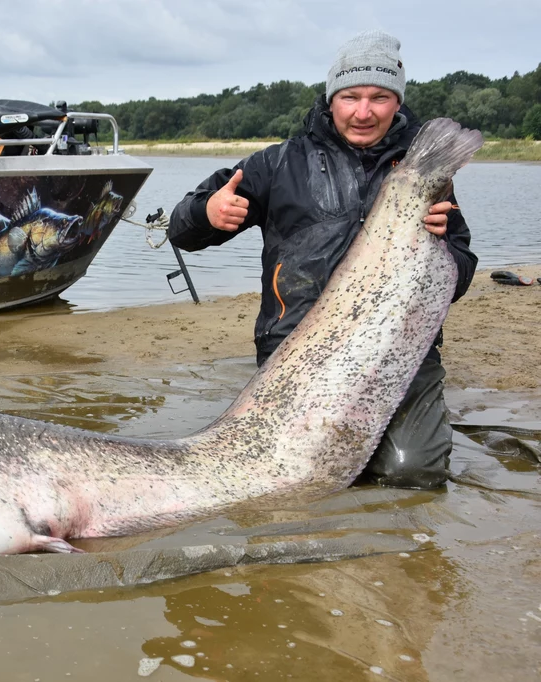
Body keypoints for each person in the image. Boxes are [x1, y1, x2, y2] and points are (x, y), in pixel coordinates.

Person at [167, 30, 478, 490]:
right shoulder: (277, 165)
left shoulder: (423, 173)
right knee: (282, 478)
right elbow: (181, 231)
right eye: (351, 96)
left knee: (413, 472)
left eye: (380, 97)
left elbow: (462, 272)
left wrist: (442, 245)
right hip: (294, 352)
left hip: (399, 349)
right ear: (331, 98)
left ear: (398, 102)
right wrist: (207, 212)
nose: (363, 111)